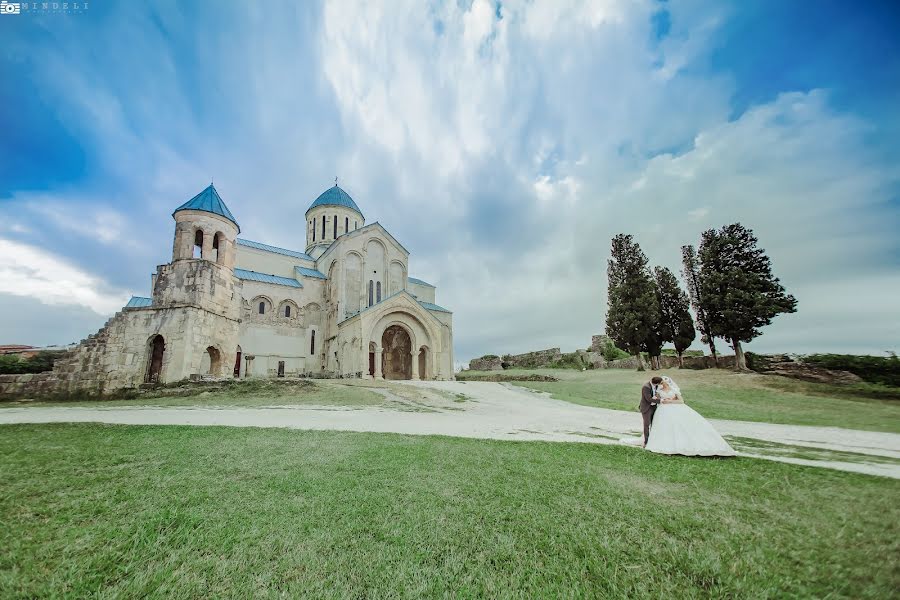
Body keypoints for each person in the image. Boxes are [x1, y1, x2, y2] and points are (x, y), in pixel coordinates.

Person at [644, 376, 736, 456]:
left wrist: (670, 401)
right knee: (666, 427)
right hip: (663, 410)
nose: (663, 384)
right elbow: (657, 399)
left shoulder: (674, 390)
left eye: (664, 382)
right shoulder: (659, 391)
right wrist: (662, 399)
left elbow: (681, 401)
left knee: (681, 426)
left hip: (675, 408)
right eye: (662, 383)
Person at [638, 376, 663, 447]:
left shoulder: (657, 386)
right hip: (646, 408)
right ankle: (646, 442)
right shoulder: (646, 387)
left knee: (654, 423)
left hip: (654, 407)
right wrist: (660, 401)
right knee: (647, 425)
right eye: (659, 383)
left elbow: (657, 394)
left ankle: (653, 440)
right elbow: (648, 399)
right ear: (656, 383)